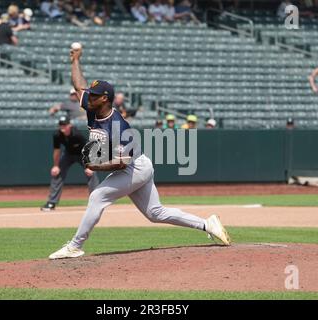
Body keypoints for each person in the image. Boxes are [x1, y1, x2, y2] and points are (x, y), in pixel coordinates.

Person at [48, 46, 230, 259]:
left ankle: (75, 246)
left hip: (133, 167)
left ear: (105, 99)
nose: (89, 97)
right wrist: (75, 60)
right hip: (136, 165)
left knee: (97, 196)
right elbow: (79, 86)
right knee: (155, 213)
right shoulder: (92, 107)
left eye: (95, 95)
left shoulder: (119, 127)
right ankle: (207, 224)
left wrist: (93, 166)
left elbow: (120, 165)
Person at [41, 116, 99, 212]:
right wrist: (55, 166)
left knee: (91, 174)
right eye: (61, 125)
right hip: (68, 154)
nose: (62, 127)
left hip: (83, 155)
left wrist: (89, 166)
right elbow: (57, 151)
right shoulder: (57, 135)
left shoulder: (77, 134)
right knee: (57, 173)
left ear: (69, 125)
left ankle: (97, 202)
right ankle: (51, 202)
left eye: (64, 125)